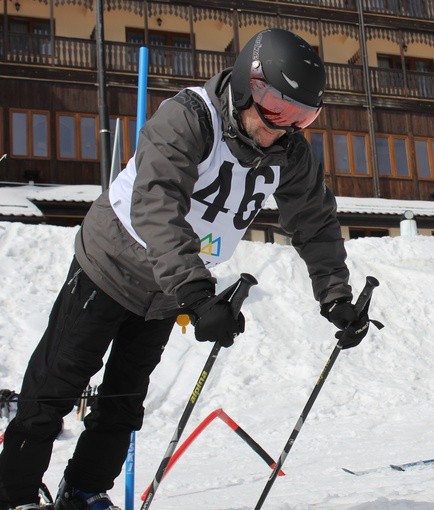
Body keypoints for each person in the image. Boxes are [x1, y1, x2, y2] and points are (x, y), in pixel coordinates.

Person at [0, 28, 372, 510]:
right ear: (245, 84)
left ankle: (85, 493)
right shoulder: (189, 117)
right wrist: (197, 295)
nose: (284, 126)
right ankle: (14, 495)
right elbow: (157, 205)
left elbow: (316, 224)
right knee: (55, 387)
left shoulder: (289, 152)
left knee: (123, 400)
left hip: (166, 289)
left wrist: (335, 295)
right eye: (277, 109)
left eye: (301, 116)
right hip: (111, 264)